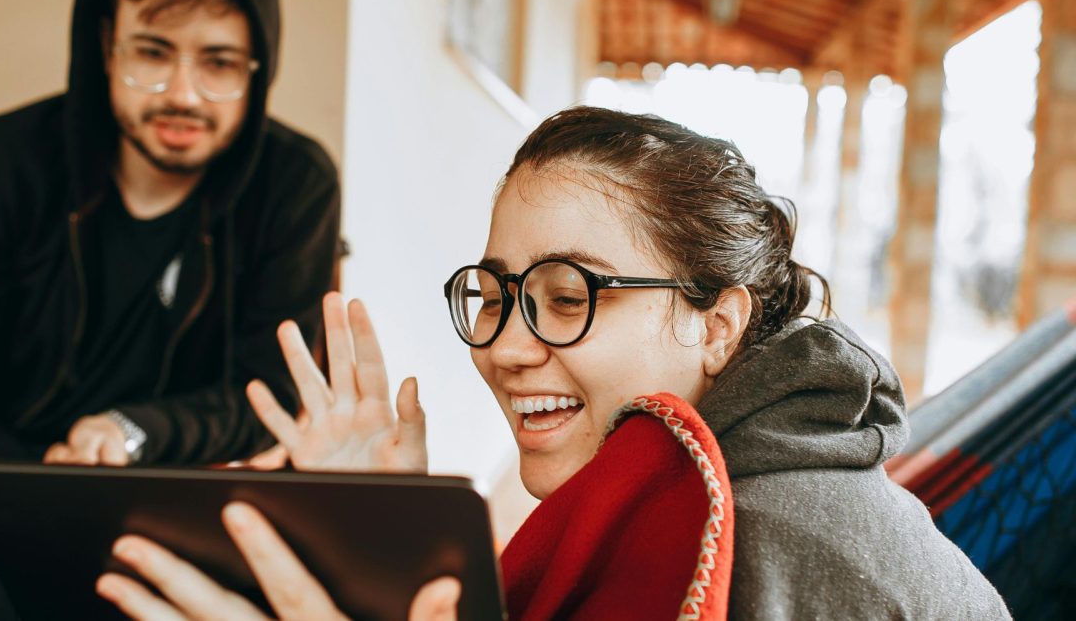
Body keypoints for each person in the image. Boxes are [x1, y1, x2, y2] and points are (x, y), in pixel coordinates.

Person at [98, 107, 1009, 619]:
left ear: (718, 325)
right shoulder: (665, 498)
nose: (503, 346)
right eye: (495, 295)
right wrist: (389, 552)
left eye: (569, 297)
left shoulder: (783, 551)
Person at [0, 0, 340, 619]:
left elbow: (262, 394)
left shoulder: (296, 187)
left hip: (174, 480)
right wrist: (40, 481)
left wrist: (131, 431)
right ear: (106, 44)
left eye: (218, 63)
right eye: (152, 53)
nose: (183, 94)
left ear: (257, 66)